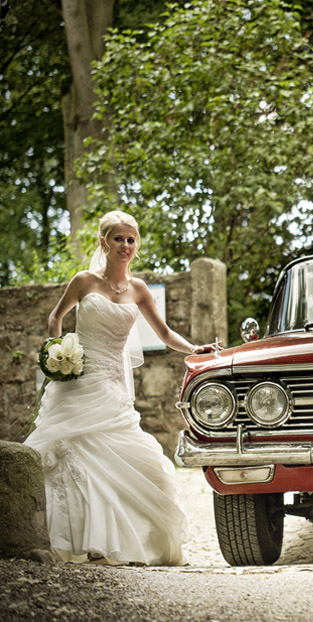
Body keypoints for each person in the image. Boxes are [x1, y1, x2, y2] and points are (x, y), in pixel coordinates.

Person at [24, 210, 214, 565]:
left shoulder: (139, 289)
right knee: (71, 452)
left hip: (112, 385)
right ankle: (68, 538)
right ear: (104, 242)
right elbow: (55, 318)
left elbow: (164, 333)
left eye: (131, 239)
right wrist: (58, 354)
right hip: (78, 380)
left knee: (128, 454)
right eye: (118, 239)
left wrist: (193, 349)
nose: (125, 245)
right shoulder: (84, 281)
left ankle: (118, 541)